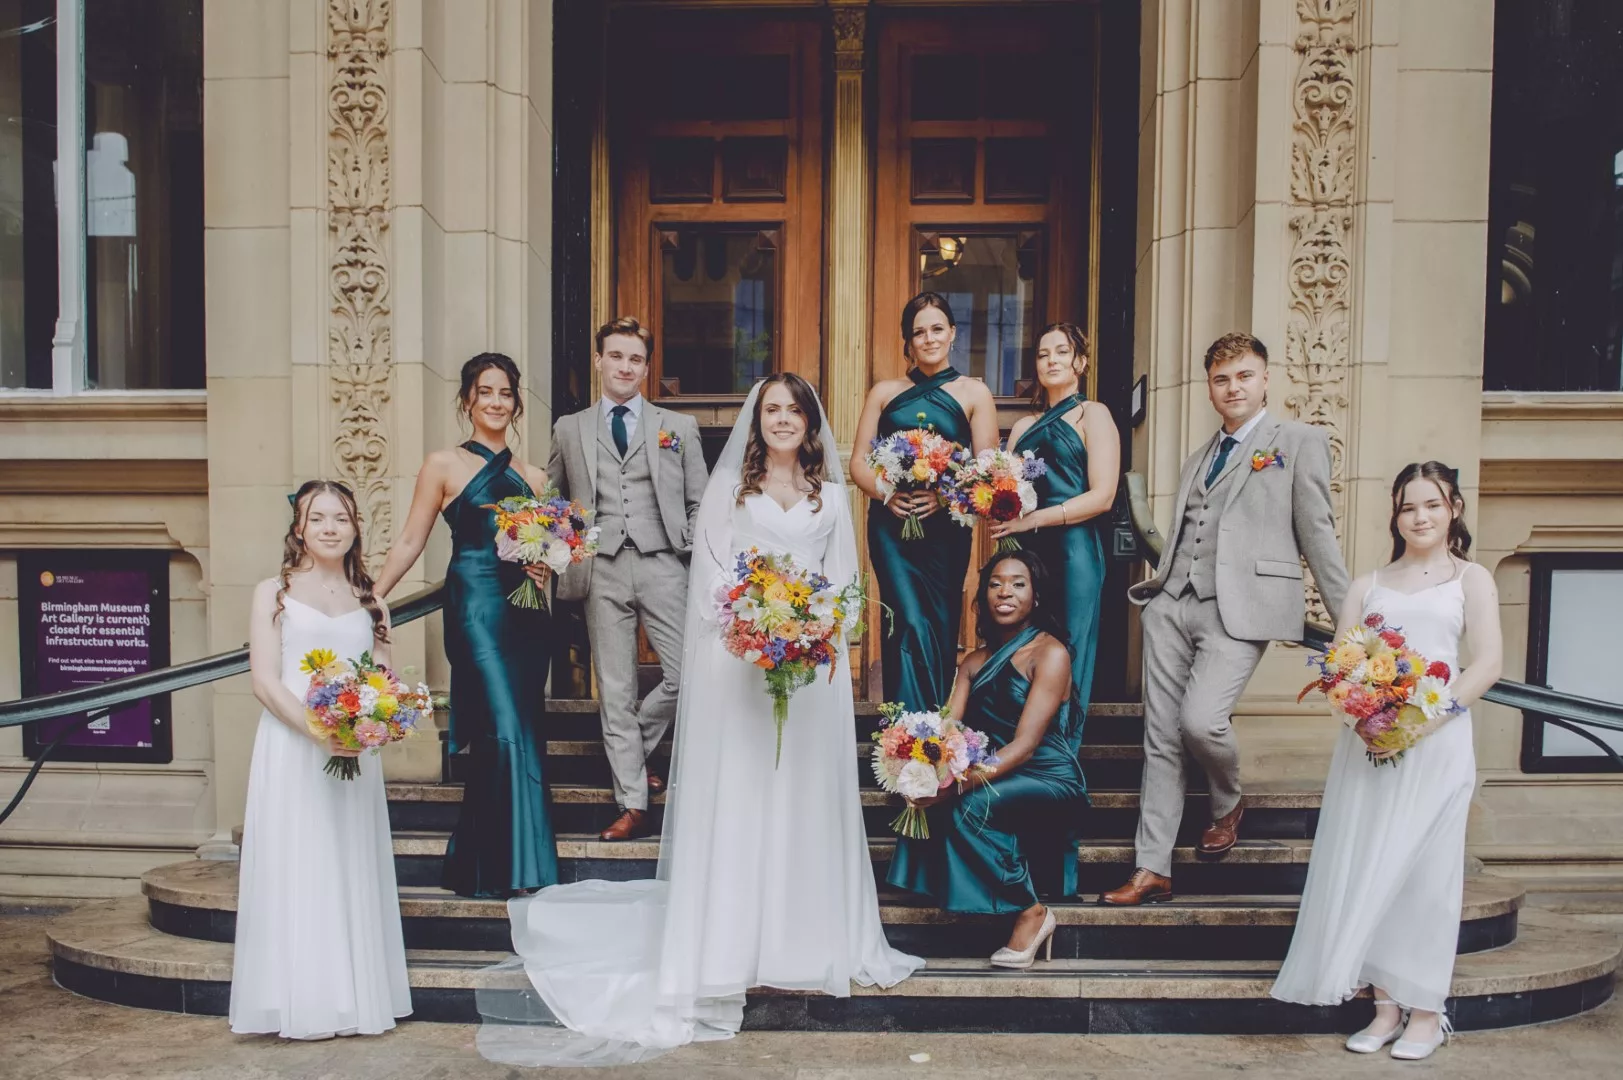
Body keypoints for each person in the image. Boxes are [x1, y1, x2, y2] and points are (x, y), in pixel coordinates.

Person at [477, 374, 922, 1067]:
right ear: (758, 420)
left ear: (810, 423)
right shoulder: (730, 494)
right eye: (771, 409)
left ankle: (803, 939)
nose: (780, 420)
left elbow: (844, 587)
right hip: (741, 667)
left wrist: (819, 634)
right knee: (745, 801)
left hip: (811, 675)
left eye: (793, 411)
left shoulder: (833, 498)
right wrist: (755, 627)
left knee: (802, 802)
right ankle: (730, 943)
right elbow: (713, 585)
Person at [1102, 331, 1350, 906]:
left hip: (1243, 610)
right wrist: (1164, 591)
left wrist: (1352, 626)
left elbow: (1319, 535)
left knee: (1201, 721)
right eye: (1221, 379)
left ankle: (1229, 799)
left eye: (1243, 376)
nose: (1233, 387)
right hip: (1170, 605)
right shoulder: (1197, 458)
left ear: (1265, 379)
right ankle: (1151, 868)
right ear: (1210, 389)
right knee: (1160, 738)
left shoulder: (1299, 441)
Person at [1272, 462, 1501, 1061]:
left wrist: (1425, 719)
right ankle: (1384, 1005)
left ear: (1453, 508)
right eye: (1407, 507)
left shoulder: (1470, 579)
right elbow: (1340, 666)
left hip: (1438, 742)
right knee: (1371, 865)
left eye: (1431, 504)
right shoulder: (1367, 585)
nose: (1419, 517)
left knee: (1426, 875)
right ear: (1395, 515)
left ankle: (1427, 1011)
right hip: (1371, 745)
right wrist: (1364, 718)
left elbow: (1488, 663)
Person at [229, 481, 411, 1038]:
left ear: (356, 527)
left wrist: (376, 721)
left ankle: (351, 997)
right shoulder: (272, 593)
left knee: (347, 861)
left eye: (341, 518)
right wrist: (316, 729)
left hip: (352, 751)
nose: (330, 527)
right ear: (299, 529)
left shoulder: (371, 601)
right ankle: (296, 997)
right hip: (292, 746)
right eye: (318, 518)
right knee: (298, 863)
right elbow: (264, 680)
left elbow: (381, 678)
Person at [375, 353, 557, 898]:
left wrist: (544, 564)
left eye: (505, 393)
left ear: (516, 402)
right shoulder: (443, 465)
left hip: (526, 614)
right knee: (500, 724)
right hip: (475, 605)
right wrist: (375, 595)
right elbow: (411, 539)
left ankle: (493, 864)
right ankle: (509, 867)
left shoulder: (535, 477)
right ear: (467, 401)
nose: (496, 402)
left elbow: (545, 553)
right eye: (486, 392)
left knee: (521, 728)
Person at [546, 317, 708, 840]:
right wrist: (555, 551)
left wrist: (692, 550)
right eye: (615, 356)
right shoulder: (569, 428)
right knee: (614, 690)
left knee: (689, 676)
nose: (625, 366)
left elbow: (699, 499)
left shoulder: (676, 428)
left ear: (646, 366)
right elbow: (554, 503)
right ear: (599, 361)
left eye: (635, 359)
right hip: (601, 567)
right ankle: (633, 802)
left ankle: (632, 751)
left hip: (665, 563)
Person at [887, 551, 1088, 968]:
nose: (1005, 592)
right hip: (993, 768)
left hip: (1046, 772)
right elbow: (947, 729)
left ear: (1035, 595)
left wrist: (953, 786)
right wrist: (917, 769)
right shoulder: (973, 662)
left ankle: (1031, 912)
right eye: (996, 583)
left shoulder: (1050, 654)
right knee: (928, 796)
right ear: (984, 595)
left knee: (969, 804)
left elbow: (1025, 746)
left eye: (1018, 583)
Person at [850, 292, 998, 713]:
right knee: (908, 619)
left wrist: (944, 493)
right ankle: (907, 731)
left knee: (939, 621)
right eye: (919, 332)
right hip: (891, 527)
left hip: (945, 529)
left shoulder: (974, 392)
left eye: (937, 329)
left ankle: (932, 727)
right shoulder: (884, 391)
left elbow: (986, 468)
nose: (929, 338)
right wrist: (887, 492)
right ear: (908, 342)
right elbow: (859, 462)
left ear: (952, 333)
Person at [997, 322, 1120, 749]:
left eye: (1062, 352)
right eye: (1043, 353)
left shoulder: (1093, 414)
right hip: (1026, 551)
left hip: (1074, 550)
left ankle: (1062, 753)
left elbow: (1103, 496)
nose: (1051, 360)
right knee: (1022, 641)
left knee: (1068, 645)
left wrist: (1036, 519)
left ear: (1080, 363)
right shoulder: (1021, 427)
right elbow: (1003, 493)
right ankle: (1019, 741)